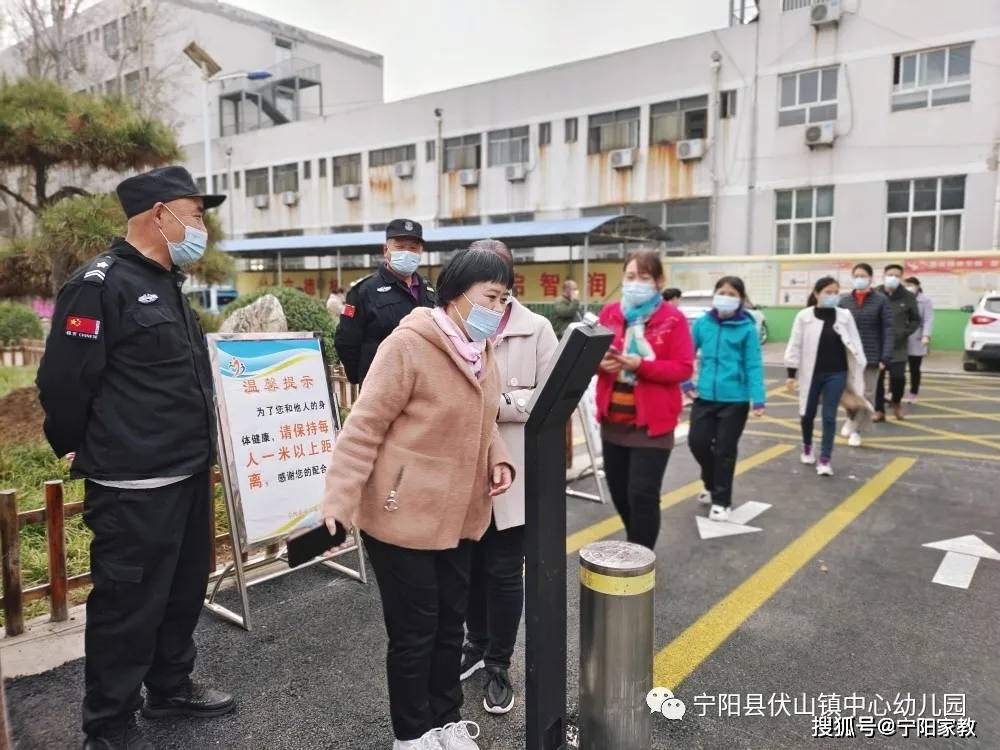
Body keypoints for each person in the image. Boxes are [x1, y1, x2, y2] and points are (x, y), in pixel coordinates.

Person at [36, 166, 234, 750]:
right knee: (128, 605)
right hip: (133, 481)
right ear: (159, 214)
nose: (202, 225)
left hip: (187, 471)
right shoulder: (98, 285)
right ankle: (110, 725)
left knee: (182, 589)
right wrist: (81, 444)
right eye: (196, 213)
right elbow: (64, 383)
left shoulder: (168, 281)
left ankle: (170, 686)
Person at [320, 246, 516, 750]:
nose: (498, 309)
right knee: (415, 633)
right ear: (455, 296)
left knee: (451, 626)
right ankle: (412, 734)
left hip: (460, 515)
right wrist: (339, 502)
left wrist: (498, 457)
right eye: (490, 297)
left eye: (504, 298)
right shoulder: (407, 345)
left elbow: (484, 416)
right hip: (400, 514)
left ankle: (446, 720)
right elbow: (363, 428)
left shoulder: (481, 350)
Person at [458, 241, 558, 716]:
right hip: (460, 473)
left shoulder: (535, 329)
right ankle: (474, 646)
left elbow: (553, 399)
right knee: (469, 571)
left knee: (501, 573)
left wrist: (496, 405)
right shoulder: (453, 324)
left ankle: (499, 663)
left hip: (512, 475)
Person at [594, 250, 694, 549]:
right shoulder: (610, 313)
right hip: (613, 422)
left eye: (644, 277)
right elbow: (592, 354)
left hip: (652, 426)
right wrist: (601, 363)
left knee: (643, 495)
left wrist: (640, 365)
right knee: (621, 494)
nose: (636, 283)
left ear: (659, 281)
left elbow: (683, 368)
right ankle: (634, 543)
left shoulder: (672, 318)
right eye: (630, 277)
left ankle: (640, 559)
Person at [685, 276, 766, 522]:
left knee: (724, 450)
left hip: (735, 400)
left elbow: (753, 364)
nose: (726, 297)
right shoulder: (702, 324)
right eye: (722, 292)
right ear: (714, 295)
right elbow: (686, 353)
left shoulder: (747, 329)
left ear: (740, 299)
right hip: (705, 396)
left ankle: (721, 501)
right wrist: (685, 382)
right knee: (697, 442)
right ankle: (710, 482)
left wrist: (759, 398)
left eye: (732, 294)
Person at [334, 218, 436, 385]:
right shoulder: (364, 290)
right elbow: (346, 340)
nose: (407, 253)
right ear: (385, 250)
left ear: (420, 251)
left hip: (422, 384)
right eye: (400, 247)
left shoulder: (428, 289)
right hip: (382, 385)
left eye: (413, 248)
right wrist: (363, 376)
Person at [784, 277, 868, 476]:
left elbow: (855, 344)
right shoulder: (804, 316)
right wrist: (791, 373)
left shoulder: (845, 316)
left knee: (829, 416)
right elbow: (794, 344)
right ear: (816, 294)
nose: (832, 296)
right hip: (810, 373)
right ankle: (807, 446)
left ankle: (825, 459)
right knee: (807, 413)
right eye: (828, 292)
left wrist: (859, 368)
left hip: (836, 373)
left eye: (835, 292)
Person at [838, 263, 893, 447]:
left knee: (866, 394)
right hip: (848, 356)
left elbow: (888, 329)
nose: (859, 279)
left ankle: (856, 429)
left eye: (863, 275)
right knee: (850, 394)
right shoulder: (844, 301)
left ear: (870, 278)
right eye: (856, 275)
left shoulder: (881, 300)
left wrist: (885, 357)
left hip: (871, 356)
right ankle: (852, 420)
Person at [874, 263, 921, 421]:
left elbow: (915, 319)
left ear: (901, 278)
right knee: (877, 380)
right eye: (890, 274)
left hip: (898, 346)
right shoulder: (875, 293)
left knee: (898, 378)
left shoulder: (907, 296)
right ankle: (879, 410)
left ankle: (896, 403)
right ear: (883, 275)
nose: (892, 278)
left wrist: (905, 332)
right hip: (878, 345)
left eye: (896, 275)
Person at [904, 276, 934, 404]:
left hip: (917, 337)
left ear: (917, 285)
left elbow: (928, 319)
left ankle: (913, 393)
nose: (909, 287)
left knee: (914, 368)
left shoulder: (925, 300)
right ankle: (893, 391)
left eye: (911, 284)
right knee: (897, 369)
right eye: (906, 285)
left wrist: (926, 335)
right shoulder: (902, 298)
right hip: (901, 337)